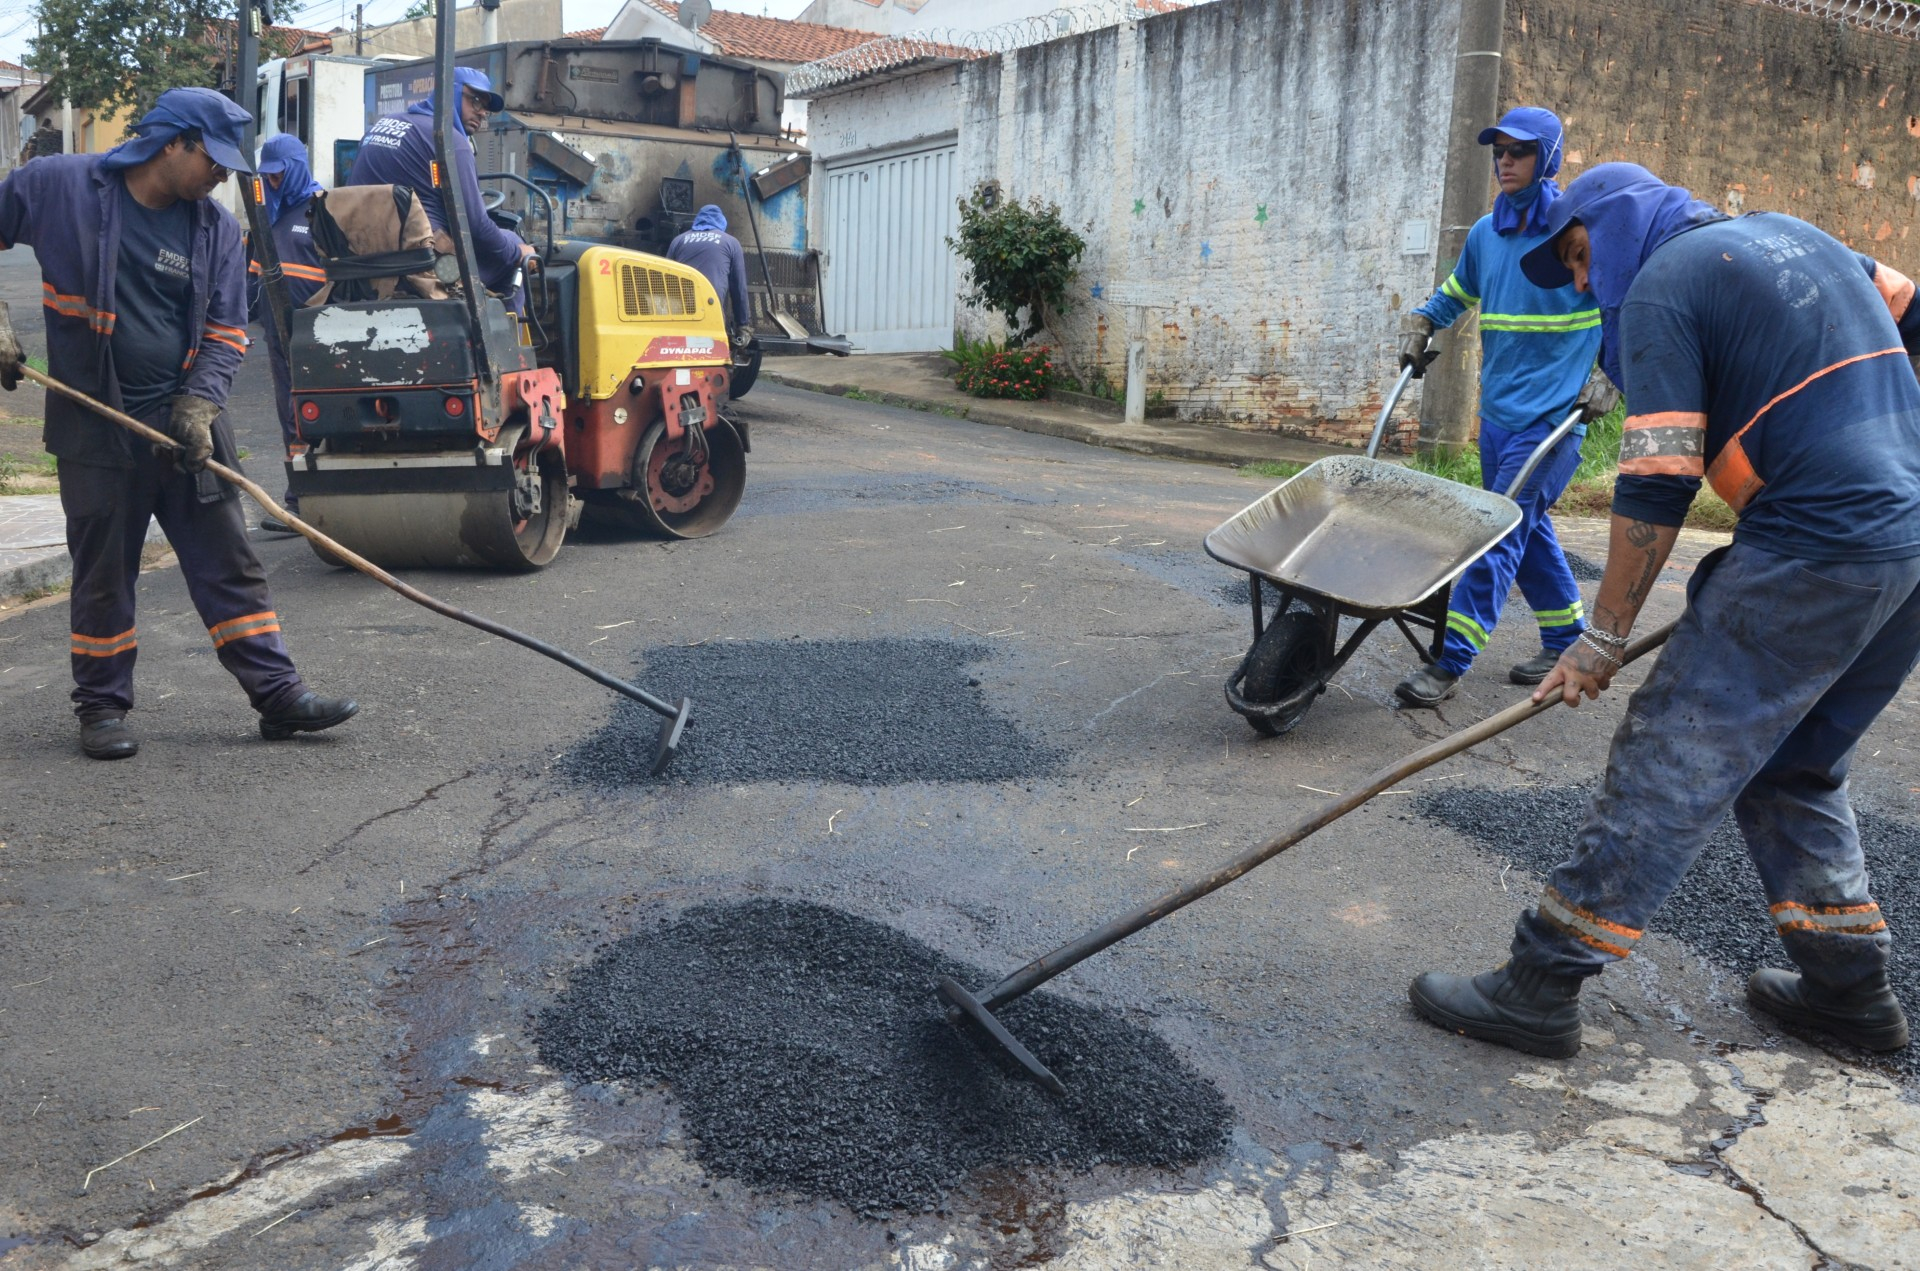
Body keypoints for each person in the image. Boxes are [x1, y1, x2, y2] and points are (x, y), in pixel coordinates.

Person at [1409, 162, 1920, 1058]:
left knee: (1672, 749)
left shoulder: (1660, 285)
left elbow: (1656, 480)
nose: (1579, 282)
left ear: (1615, 223)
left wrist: (1600, 640)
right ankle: (1848, 989)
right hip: (1906, 545)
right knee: (1794, 761)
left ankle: (1541, 980)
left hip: (1818, 542)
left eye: (1576, 258)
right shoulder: (1801, 236)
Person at [0, 88, 357, 760]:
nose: (222, 174)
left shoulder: (218, 231)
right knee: (104, 571)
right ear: (172, 143)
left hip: (186, 424)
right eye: (213, 159)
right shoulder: (60, 187)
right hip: (95, 425)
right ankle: (101, 709)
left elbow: (226, 333)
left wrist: (201, 404)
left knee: (231, 561)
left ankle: (278, 696)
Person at [1394, 107, 1617, 709]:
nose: (1504, 161)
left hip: (1554, 421)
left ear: (1546, 159)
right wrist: (1422, 322)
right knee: (1524, 526)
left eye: (1518, 151)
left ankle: (1450, 661)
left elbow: (1622, 300)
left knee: (1497, 534)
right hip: (1498, 417)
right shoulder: (1484, 234)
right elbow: (1456, 293)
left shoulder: (1577, 232)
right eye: (1498, 151)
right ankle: (1565, 633)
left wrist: (1613, 371)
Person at [346, 66, 535, 304]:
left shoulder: (380, 127)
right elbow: (475, 225)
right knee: (513, 250)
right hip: (423, 267)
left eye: (486, 108)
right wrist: (519, 253)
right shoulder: (450, 142)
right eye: (475, 101)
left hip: (364, 260)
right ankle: (505, 340)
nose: (482, 113)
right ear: (451, 94)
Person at [247, 132, 328, 535]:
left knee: (319, 414)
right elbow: (251, 278)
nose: (273, 182)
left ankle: (325, 499)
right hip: (278, 337)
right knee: (290, 417)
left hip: (315, 337)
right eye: (268, 176)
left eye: (279, 175)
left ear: (296, 168)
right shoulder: (267, 216)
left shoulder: (322, 211)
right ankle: (299, 502)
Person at [666, 204, 753, 346]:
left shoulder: (678, 241)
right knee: (710, 354)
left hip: (679, 313)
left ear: (698, 220)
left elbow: (664, 279)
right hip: (712, 310)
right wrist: (743, 325)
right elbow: (739, 288)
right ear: (721, 221)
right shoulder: (730, 242)